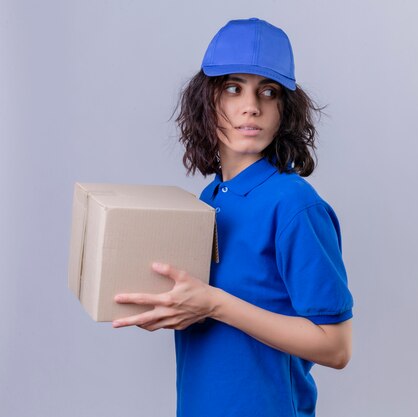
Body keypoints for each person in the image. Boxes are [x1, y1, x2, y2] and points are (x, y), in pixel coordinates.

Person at [112, 17, 353, 417]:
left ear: (284, 109)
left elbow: (336, 346)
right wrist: (173, 308)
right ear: (208, 100)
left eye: (268, 92)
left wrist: (214, 304)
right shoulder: (209, 198)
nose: (251, 107)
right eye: (233, 87)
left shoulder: (294, 204)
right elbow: (210, 315)